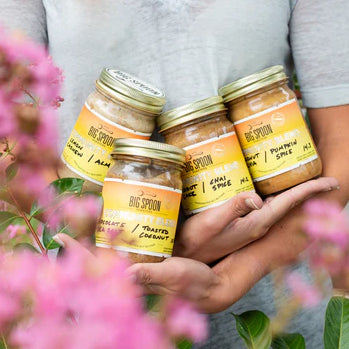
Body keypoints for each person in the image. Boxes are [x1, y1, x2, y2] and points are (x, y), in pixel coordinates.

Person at [1, 1, 348, 347]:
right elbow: (10, 138)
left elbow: (340, 138)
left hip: (278, 315)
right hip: (93, 313)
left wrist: (235, 274)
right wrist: (163, 248)